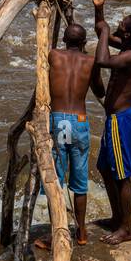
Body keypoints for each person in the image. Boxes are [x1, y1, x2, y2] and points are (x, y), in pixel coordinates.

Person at [90, 0, 131, 244]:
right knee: (104, 167)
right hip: (114, 119)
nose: (116, 25)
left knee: (122, 174)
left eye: (120, 24)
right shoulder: (127, 44)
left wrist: (103, 33)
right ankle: (116, 218)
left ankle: (125, 228)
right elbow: (100, 29)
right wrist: (98, 7)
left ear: (125, 33)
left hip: (121, 120)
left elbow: (102, 60)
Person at [34, 22, 95, 249]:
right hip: (79, 121)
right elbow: (98, 88)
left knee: (56, 180)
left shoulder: (53, 55)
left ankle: (57, 232)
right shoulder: (90, 61)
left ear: (64, 41)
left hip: (59, 121)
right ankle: (81, 231)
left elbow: (45, 50)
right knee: (79, 183)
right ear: (84, 43)